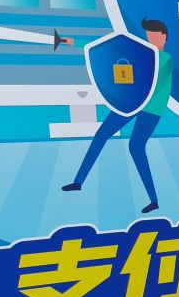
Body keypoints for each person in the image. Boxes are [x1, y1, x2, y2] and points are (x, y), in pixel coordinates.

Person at [63, 18, 173, 213]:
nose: (149, 40)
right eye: (147, 37)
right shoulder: (145, 54)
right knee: (101, 135)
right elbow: (110, 49)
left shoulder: (165, 59)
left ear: (164, 37)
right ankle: (78, 182)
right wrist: (73, 42)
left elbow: (150, 83)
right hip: (131, 102)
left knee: (136, 146)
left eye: (153, 36)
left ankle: (153, 200)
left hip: (151, 109)